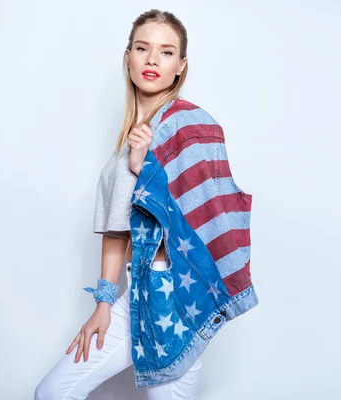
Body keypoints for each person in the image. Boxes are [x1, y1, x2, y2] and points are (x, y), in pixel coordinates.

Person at [35, 8, 258, 400]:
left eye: (166, 52)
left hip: (177, 298)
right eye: (143, 48)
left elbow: (206, 212)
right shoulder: (127, 141)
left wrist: (146, 169)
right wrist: (104, 303)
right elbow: (117, 228)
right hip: (137, 293)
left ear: (180, 67)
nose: (153, 59)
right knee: (53, 392)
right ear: (128, 57)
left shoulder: (191, 126)